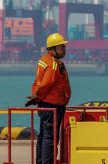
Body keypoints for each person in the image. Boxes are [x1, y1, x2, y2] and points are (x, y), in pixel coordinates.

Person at [26, 32, 71, 164]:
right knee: (50, 138)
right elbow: (46, 84)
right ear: (53, 49)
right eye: (62, 47)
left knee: (44, 136)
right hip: (53, 106)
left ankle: (41, 162)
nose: (64, 49)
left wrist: (36, 96)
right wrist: (37, 96)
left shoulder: (45, 60)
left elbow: (37, 83)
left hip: (47, 105)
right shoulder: (53, 65)